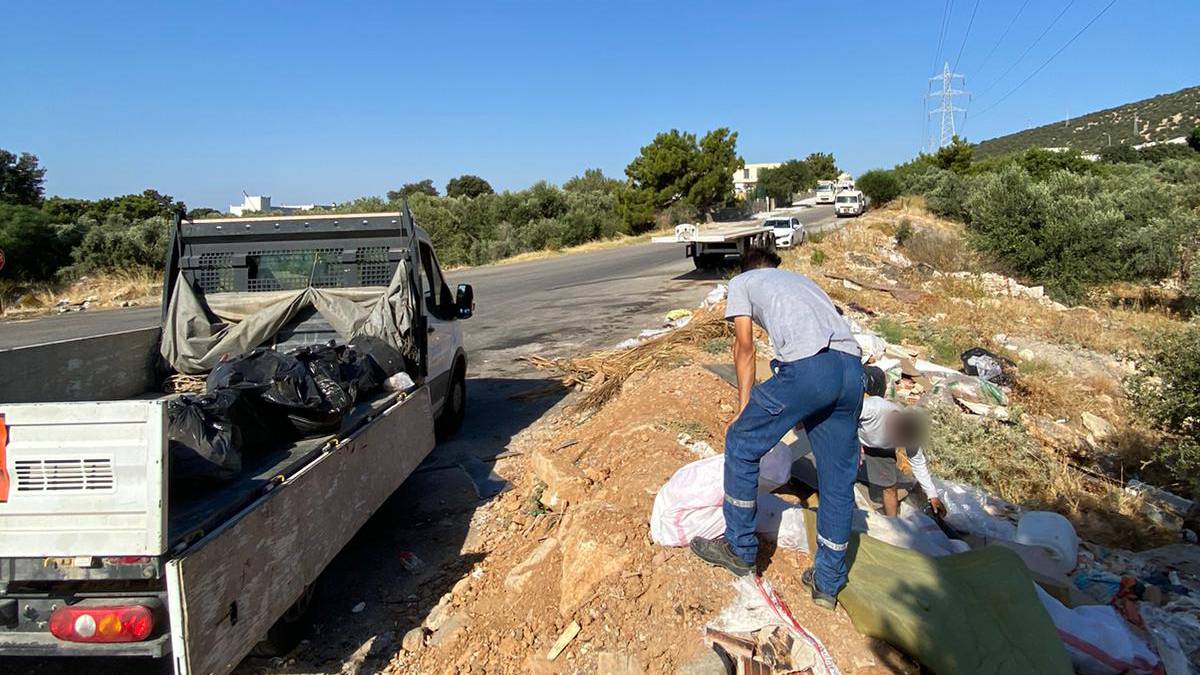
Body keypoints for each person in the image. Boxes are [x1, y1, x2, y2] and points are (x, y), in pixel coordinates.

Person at [689, 247, 863, 611]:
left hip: (810, 369)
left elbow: (744, 347)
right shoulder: (804, 283)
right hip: (851, 371)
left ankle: (739, 548)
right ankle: (827, 583)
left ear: (747, 269)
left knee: (741, 441)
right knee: (836, 480)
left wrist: (743, 408)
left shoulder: (742, 282)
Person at [857, 396, 947, 518]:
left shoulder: (909, 432)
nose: (898, 445)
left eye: (900, 443)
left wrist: (932, 495)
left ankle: (893, 524)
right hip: (853, 433)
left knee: (889, 487)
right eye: (897, 440)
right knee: (846, 473)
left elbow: (918, 463)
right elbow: (844, 416)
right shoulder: (873, 409)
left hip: (879, 448)